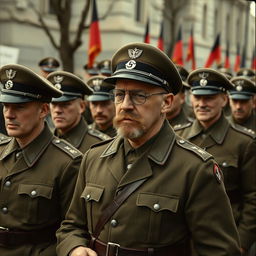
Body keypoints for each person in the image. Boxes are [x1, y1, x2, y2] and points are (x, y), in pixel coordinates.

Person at [56, 42, 241, 256]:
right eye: (119, 95)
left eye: (139, 95)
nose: (125, 105)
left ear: (167, 103)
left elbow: (220, 251)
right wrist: (75, 248)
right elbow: (71, 226)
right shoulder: (94, 157)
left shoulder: (195, 168)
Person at [0, 64, 83, 256]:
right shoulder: (2, 151)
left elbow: (73, 228)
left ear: (44, 110)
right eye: (6, 105)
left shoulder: (67, 162)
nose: (9, 114)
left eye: (19, 107)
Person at [175, 68, 256, 254]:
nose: (202, 104)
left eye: (209, 98)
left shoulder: (244, 143)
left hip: (226, 239)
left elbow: (252, 198)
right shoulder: (178, 136)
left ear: (224, 100)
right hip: (183, 241)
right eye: (198, 97)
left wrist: (242, 243)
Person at [47, 71, 110, 153]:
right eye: (54, 104)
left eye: (65, 104)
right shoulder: (44, 142)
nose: (57, 110)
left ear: (81, 106)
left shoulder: (101, 145)